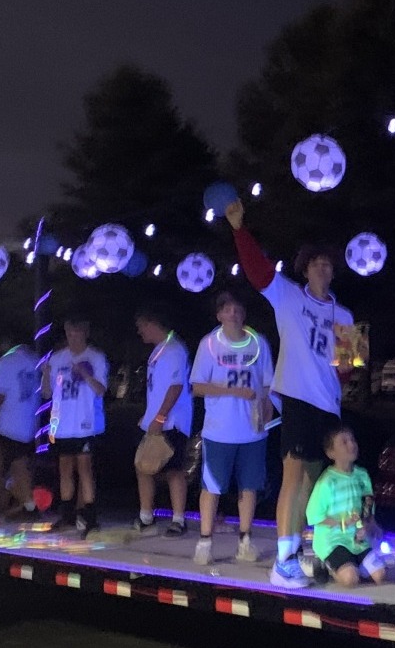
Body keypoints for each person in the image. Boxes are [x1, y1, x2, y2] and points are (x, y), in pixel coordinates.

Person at [222, 196, 358, 588]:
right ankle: (283, 561)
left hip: (328, 405)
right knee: (293, 478)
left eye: (328, 263)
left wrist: (346, 363)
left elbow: (349, 371)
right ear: (305, 269)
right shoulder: (288, 296)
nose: (322, 267)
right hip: (297, 398)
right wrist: (238, 229)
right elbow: (257, 270)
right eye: (316, 262)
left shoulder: (345, 316)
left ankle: (313, 548)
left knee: (319, 485)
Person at [188, 290, 273, 566]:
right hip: (219, 430)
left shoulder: (259, 343)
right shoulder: (209, 344)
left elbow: (268, 385)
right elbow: (197, 386)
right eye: (227, 310)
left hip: (252, 432)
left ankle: (245, 541)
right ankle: (204, 542)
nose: (233, 314)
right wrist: (233, 391)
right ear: (219, 315)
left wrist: (266, 417)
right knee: (212, 487)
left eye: (237, 309)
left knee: (249, 488)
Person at [43, 318, 108, 536]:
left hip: (86, 423)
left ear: (85, 332)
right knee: (64, 469)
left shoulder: (96, 357)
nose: (73, 336)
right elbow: (46, 393)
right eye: (70, 332)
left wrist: (85, 374)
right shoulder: (58, 358)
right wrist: (45, 373)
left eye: (78, 331)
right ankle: (66, 515)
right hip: (62, 423)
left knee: (85, 468)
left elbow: (101, 390)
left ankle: (90, 516)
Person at [134, 305, 194, 536]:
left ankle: (178, 519)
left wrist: (160, 416)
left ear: (152, 324)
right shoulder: (159, 350)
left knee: (173, 470)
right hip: (155, 420)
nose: (140, 332)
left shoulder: (173, 349)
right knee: (143, 466)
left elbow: (176, 386)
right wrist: (149, 414)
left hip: (172, 421)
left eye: (141, 327)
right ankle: (146, 516)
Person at [304, 424, 388, 588]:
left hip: (357, 540)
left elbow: (367, 506)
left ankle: (352, 564)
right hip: (334, 541)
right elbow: (314, 516)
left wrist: (371, 525)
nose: (351, 445)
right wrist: (343, 523)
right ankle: (326, 564)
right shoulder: (327, 481)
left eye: (352, 440)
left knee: (380, 576)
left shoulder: (362, 475)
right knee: (350, 580)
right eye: (344, 442)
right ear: (331, 453)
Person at [0, 334, 41, 516]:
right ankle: (2, 501)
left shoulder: (6, 363)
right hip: (28, 424)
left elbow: (0, 397)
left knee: (5, 465)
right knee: (14, 466)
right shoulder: (34, 361)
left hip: (9, 425)